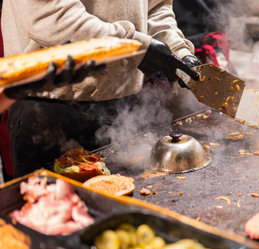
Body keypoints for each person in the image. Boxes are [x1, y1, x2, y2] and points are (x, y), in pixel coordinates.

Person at [2, 0, 200, 177]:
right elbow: (50, 17)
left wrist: (178, 50)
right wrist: (137, 46)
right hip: (50, 106)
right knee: (52, 214)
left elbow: (155, 6)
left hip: (127, 105)